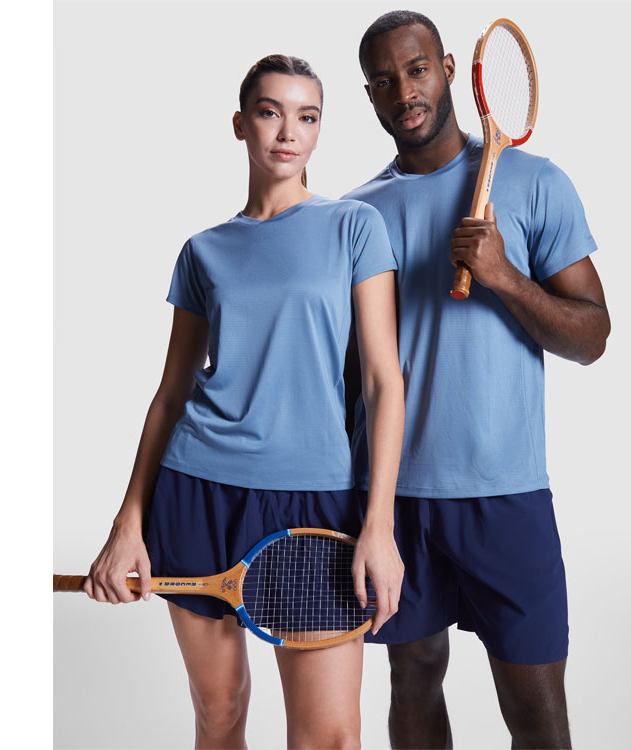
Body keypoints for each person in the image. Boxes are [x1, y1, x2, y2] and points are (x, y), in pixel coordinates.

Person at [82, 54, 405, 750]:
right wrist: (128, 522)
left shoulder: (355, 228)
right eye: (270, 112)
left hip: (315, 507)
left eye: (307, 116)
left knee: (330, 738)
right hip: (199, 493)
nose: (288, 132)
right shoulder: (203, 251)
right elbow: (171, 393)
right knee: (218, 711)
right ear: (240, 124)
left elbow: (384, 381)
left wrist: (379, 526)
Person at [344, 11, 611, 749]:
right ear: (370, 96)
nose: (405, 91)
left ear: (450, 68)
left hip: (506, 494)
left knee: (536, 711)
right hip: (394, 500)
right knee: (412, 678)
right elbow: (349, 371)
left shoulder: (537, 183)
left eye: (417, 69)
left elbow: (593, 336)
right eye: (385, 81)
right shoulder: (355, 213)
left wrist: (504, 278)